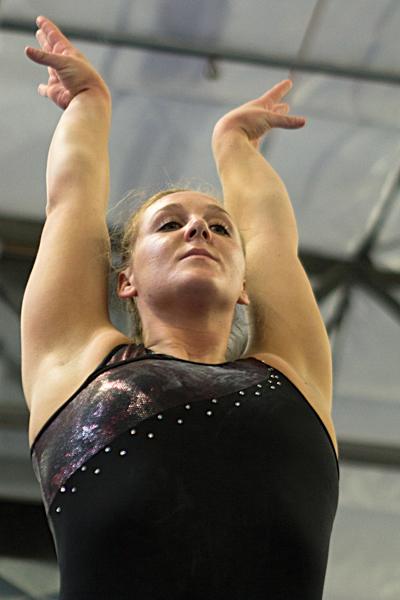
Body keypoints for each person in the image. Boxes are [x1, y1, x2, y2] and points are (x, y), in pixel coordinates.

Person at [22, 16, 340, 600]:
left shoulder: (294, 375)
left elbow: (271, 239)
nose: (199, 228)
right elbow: (71, 202)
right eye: (170, 224)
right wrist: (89, 103)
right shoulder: (77, 365)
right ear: (126, 280)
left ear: (247, 285)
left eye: (220, 226)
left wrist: (234, 143)